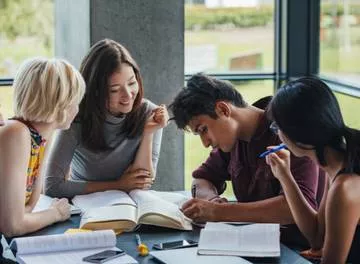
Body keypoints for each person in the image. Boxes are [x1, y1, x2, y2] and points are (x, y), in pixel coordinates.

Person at [169, 74, 325, 227]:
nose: (205, 143)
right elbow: (201, 180)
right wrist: (211, 201)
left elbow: (295, 208)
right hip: (255, 241)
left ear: (223, 110)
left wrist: (220, 212)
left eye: (203, 129)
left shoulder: (287, 130)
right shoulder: (231, 142)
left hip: (300, 248)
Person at [44, 39, 168, 198]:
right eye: (115, 90)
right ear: (95, 91)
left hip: (129, 206)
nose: (128, 95)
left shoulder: (149, 113)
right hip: (85, 206)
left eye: (131, 83)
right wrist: (118, 185)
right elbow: (52, 186)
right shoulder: (75, 117)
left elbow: (143, 182)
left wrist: (148, 133)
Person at [265, 77, 360, 263]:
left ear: (298, 132)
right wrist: (285, 177)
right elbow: (317, 237)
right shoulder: (335, 165)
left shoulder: (345, 186)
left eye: (277, 127)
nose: (278, 135)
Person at [0, 58, 85, 238]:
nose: (77, 108)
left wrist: (25, 217)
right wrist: (55, 214)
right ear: (60, 103)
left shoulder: (39, 138)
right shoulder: (16, 133)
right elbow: (12, 225)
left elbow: (28, 209)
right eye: (75, 100)